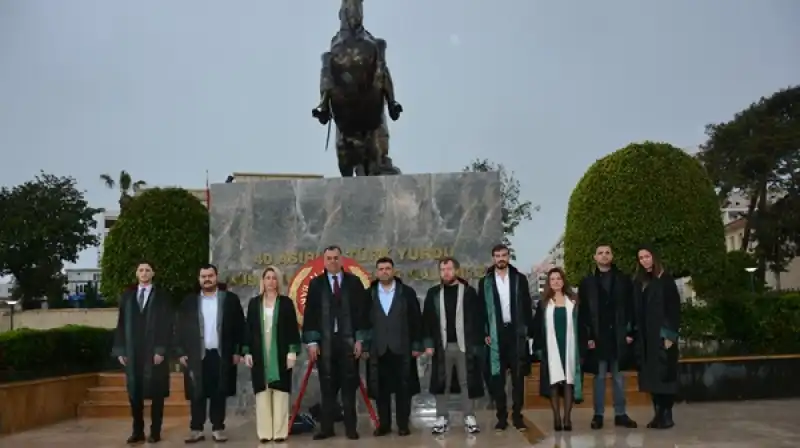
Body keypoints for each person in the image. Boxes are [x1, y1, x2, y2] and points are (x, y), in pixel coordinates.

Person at [302, 245, 370, 440]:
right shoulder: (316, 284)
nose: (332, 261)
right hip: (326, 344)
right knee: (327, 388)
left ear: (341, 260)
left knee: (349, 387)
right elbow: (311, 315)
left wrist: (360, 339)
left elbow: (362, 314)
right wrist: (312, 342)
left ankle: (351, 428)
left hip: (348, 342)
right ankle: (327, 428)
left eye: (335, 258)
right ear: (324, 261)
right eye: (329, 258)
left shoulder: (354, 283)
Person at [174, 264, 245, 443]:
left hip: (221, 354)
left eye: (210, 276)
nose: (207, 279)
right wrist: (180, 352)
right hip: (196, 354)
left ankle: (218, 428)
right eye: (203, 276)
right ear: (199, 279)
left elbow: (240, 327)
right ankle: (196, 429)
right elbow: (178, 329)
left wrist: (238, 351)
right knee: (197, 391)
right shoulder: (189, 302)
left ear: (216, 277)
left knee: (218, 391)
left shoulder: (229, 300)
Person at [111, 261, 174, 444]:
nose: (144, 273)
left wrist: (161, 349)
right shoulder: (127, 297)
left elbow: (167, 324)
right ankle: (137, 430)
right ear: (137, 274)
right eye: (141, 270)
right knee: (134, 392)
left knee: (157, 392)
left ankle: (155, 431)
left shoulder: (162, 297)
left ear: (153, 273)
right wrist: (121, 350)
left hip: (154, 352)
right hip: (133, 351)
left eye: (147, 270)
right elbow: (121, 324)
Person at [578, 244, 638, 430]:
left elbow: (631, 308)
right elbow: (584, 313)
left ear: (612, 256)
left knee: (619, 377)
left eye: (607, 253)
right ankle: (598, 415)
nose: (604, 256)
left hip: (619, 336)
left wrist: (629, 332)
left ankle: (621, 414)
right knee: (599, 377)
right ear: (594, 257)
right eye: (600, 253)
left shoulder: (624, 280)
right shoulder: (587, 282)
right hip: (597, 337)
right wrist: (587, 336)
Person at [423, 257, 485, 435]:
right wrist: (428, 344)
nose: (446, 273)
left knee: (467, 381)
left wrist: (476, 344)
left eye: (449, 269)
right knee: (442, 382)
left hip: (464, 346)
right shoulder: (433, 293)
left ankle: (469, 417)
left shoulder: (468, 292)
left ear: (456, 270)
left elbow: (478, 320)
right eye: (442, 270)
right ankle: (441, 417)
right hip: (441, 345)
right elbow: (426, 320)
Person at [365, 257, 423, 437]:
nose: (384, 271)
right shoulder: (369, 294)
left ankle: (403, 424)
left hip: (402, 349)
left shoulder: (407, 293)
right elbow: (363, 322)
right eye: (381, 269)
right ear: (376, 272)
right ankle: (384, 425)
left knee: (403, 389)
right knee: (381, 391)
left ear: (393, 271)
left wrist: (416, 345)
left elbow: (416, 321)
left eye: (387, 268)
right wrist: (366, 347)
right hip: (378, 349)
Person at [242, 266, 301, 443]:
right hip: (260, 353)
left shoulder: (286, 303)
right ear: (263, 281)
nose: (271, 281)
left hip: (281, 352)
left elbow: (292, 329)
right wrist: (246, 352)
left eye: (274, 278)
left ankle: (280, 432)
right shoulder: (254, 303)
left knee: (281, 393)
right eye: (267, 278)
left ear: (278, 281)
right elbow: (248, 329)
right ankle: (265, 433)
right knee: (262, 393)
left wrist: (292, 351)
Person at [479, 243, 534, 432]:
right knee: (498, 379)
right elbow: (481, 311)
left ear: (508, 256)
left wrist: (528, 331)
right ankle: (501, 417)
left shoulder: (519, 279)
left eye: (503, 255)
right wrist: (485, 333)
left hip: (516, 333)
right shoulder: (485, 282)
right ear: (493, 258)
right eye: (497, 255)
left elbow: (527, 306)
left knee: (518, 378)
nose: (500, 258)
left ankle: (517, 416)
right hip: (496, 334)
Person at [632, 246, 681, 430]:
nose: (644, 260)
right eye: (641, 258)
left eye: (647, 256)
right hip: (646, 337)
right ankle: (657, 415)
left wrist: (670, 335)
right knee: (651, 377)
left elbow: (674, 309)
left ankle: (667, 416)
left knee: (665, 376)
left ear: (654, 257)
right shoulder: (639, 282)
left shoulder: (666, 280)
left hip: (662, 335)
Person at [533, 268, 584, 432]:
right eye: (552, 279)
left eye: (558, 278)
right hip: (551, 347)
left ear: (563, 281)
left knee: (569, 382)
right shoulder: (543, 303)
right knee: (554, 382)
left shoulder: (574, 301)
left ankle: (567, 418)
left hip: (570, 346)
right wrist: (538, 349)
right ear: (549, 283)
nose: (556, 282)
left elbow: (583, 326)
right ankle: (556, 417)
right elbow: (537, 328)